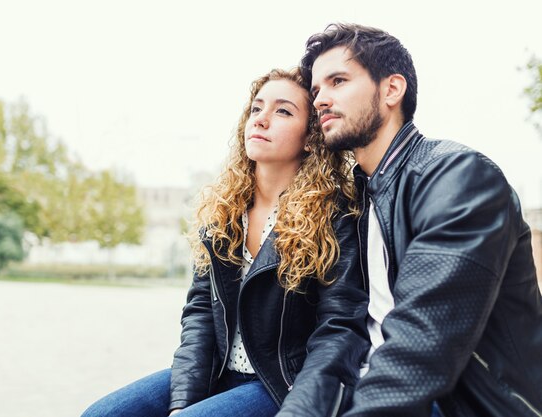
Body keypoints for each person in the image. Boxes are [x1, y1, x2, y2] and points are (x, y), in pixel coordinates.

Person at [80, 68, 370, 417]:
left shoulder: (334, 216)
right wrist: (183, 403)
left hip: (281, 383)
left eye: (282, 111)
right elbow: (200, 315)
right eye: (256, 109)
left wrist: (302, 408)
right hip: (218, 374)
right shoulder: (224, 211)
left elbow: (340, 328)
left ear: (310, 138)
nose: (261, 120)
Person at [286, 22, 542, 417]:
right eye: (317, 90)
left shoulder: (459, 178)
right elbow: (338, 336)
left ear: (392, 89)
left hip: (457, 402)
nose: (320, 99)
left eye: (338, 81)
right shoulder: (357, 202)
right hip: (365, 386)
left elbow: (419, 348)